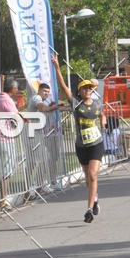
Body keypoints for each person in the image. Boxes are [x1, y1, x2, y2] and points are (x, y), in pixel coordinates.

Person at [52, 53, 106, 223]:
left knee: (92, 175)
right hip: (81, 146)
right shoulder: (76, 104)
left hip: (96, 144)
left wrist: (103, 120)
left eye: (90, 88)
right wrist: (56, 67)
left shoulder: (97, 103)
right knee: (87, 178)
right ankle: (95, 199)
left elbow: (102, 113)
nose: (88, 90)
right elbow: (63, 86)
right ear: (79, 91)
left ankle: (89, 209)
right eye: (84, 88)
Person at [26, 82, 66, 197]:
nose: (46, 94)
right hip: (32, 135)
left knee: (43, 160)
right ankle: (27, 190)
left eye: (48, 92)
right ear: (39, 90)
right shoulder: (36, 98)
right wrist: (56, 106)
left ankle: (38, 188)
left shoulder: (43, 100)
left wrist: (64, 107)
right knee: (33, 163)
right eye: (45, 91)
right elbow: (43, 108)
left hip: (39, 135)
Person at [0, 79, 22, 212]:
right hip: (5, 139)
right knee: (6, 171)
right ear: (12, 89)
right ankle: (2, 203)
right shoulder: (7, 100)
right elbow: (16, 116)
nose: (17, 90)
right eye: (16, 88)